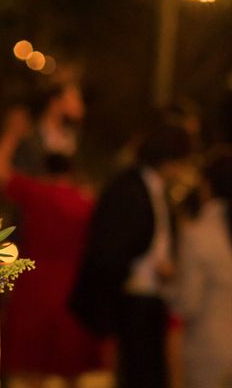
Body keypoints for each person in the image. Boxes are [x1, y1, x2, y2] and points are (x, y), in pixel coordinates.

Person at [70, 122, 193, 388]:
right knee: (135, 373)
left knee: (149, 372)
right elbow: (111, 248)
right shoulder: (128, 188)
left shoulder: (155, 189)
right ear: (169, 159)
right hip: (127, 298)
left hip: (150, 298)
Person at [0, 115, 100, 387]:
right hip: (73, 288)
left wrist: (11, 134)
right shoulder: (86, 202)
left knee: (31, 368)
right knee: (71, 367)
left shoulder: (36, 193)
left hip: (35, 285)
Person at [172, 151, 232, 388]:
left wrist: (170, 281)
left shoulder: (198, 235)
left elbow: (188, 302)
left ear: (207, 186)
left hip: (210, 348)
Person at [12, 82, 85, 176]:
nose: (79, 105)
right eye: (73, 99)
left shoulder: (73, 137)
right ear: (55, 102)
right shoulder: (30, 134)